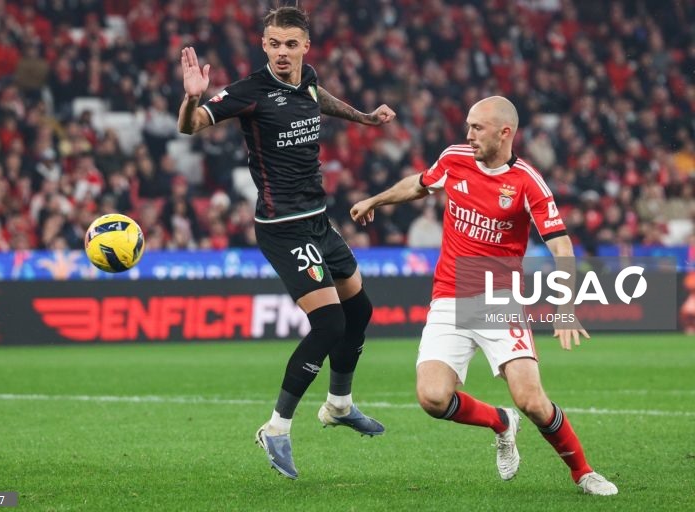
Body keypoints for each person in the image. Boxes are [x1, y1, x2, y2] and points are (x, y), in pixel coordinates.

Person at [350, 96, 618, 496]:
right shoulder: (454, 158)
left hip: (496, 296)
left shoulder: (527, 182)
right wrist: (376, 199)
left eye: (477, 127)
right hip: (448, 294)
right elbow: (420, 184)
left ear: (504, 133)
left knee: (532, 400)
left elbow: (562, 247)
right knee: (432, 397)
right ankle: (500, 422)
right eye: (468, 126)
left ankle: (583, 472)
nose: (469, 134)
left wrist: (565, 307)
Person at [177, 6, 396, 480]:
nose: (282, 52)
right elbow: (190, 127)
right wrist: (192, 99)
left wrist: (363, 117)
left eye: (290, 44)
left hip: (318, 220)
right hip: (283, 227)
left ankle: (339, 406)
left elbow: (317, 96)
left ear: (305, 48)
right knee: (330, 324)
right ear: (263, 45)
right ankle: (276, 428)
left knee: (359, 311)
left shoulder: (308, 79)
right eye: (274, 43)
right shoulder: (250, 91)